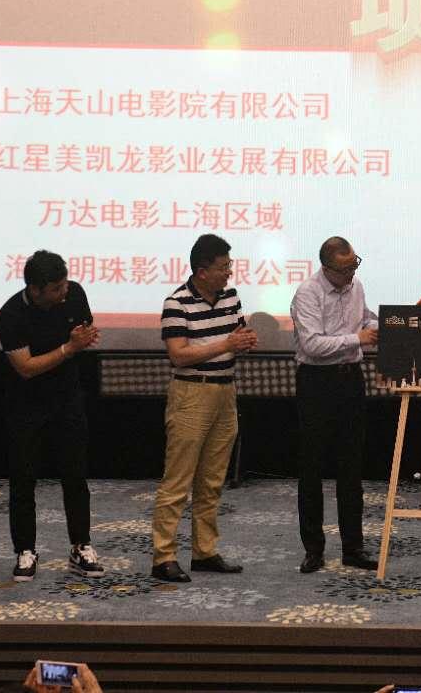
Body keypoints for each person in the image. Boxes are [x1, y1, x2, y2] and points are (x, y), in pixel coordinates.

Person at [151, 233, 257, 583]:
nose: (229, 272)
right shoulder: (176, 303)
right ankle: (163, 556)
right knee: (178, 480)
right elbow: (179, 355)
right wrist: (227, 343)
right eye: (223, 267)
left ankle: (204, 551)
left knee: (212, 480)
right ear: (201, 271)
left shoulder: (231, 297)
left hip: (226, 391)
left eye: (230, 265)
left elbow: (234, 338)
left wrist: (243, 342)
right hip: (191, 393)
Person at [0, 250, 104, 582]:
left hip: (68, 398)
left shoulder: (75, 294)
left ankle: (81, 546)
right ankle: (25, 550)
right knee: (23, 478)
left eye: (65, 284)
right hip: (25, 405)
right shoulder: (11, 314)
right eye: (56, 288)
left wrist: (80, 341)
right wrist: (68, 348)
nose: (64, 291)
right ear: (35, 289)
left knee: (75, 475)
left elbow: (85, 333)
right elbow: (26, 368)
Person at [290, 236, 380, 573]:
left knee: (351, 468)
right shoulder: (308, 293)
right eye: (345, 269)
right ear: (327, 268)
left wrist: (380, 326)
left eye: (355, 264)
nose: (352, 273)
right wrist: (358, 338)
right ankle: (313, 549)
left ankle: (353, 548)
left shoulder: (356, 286)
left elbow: (366, 319)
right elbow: (312, 345)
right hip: (317, 382)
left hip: (350, 380)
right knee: (312, 468)